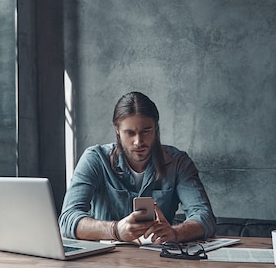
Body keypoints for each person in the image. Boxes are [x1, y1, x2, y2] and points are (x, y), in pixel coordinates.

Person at [58, 91, 216, 244]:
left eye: (146, 131)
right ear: (117, 131)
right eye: (130, 133)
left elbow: (205, 217)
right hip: (105, 261)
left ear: (156, 128)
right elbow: (67, 219)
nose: (138, 141)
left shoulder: (178, 162)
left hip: (159, 258)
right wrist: (115, 230)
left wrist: (175, 233)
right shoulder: (95, 159)